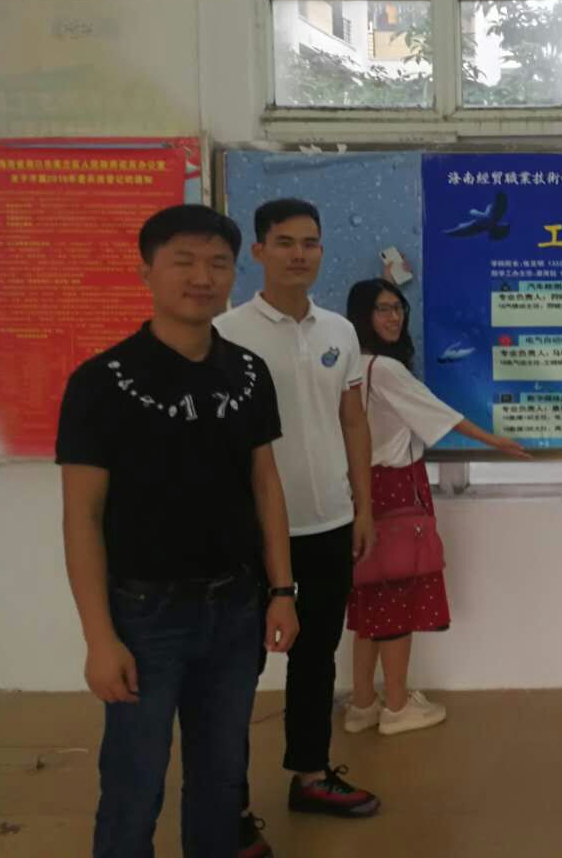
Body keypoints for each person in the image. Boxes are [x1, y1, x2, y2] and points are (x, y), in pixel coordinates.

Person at [57, 204, 299, 858]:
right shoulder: (101, 382)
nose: (202, 277)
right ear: (147, 272)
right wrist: (99, 638)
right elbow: (81, 517)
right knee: (134, 782)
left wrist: (282, 591)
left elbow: (265, 485)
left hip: (236, 607)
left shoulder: (247, 372)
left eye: (217, 263)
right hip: (144, 615)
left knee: (221, 779)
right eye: (183, 261)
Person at [214, 199, 379, 857]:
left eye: (310, 242)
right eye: (284, 242)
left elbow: (353, 421)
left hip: (330, 522)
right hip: (251, 532)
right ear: (258, 252)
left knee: (316, 655)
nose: (299, 254)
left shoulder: (340, 330)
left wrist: (363, 506)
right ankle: (227, 805)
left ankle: (310, 775)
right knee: (236, 668)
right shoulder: (225, 333)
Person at [342, 277, 530, 735]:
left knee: (369, 601)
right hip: (395, 489)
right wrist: (495, 441)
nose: (393, 317)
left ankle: (363, 703)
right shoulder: (386, 370)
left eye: (397, 308)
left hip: (360, 489)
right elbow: (443, 414)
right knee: (395, 599)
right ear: (363, 316)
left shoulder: (351, 365)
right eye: (382, 309)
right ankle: (397, 707)